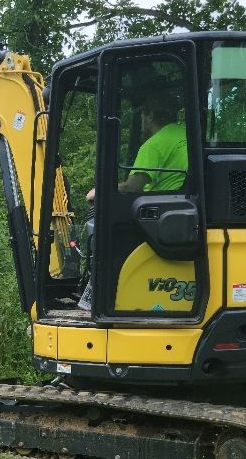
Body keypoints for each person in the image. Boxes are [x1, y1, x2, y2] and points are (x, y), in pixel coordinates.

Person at [78, 97, 188, 310]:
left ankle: (102, 300)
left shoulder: (155, 144)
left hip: (157, 219)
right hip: (180, 211)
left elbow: (133, 186)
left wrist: (99, 190)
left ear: (150, 116)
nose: (141, 122)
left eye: (143, 117)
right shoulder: (187, 136)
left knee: (108, 238)